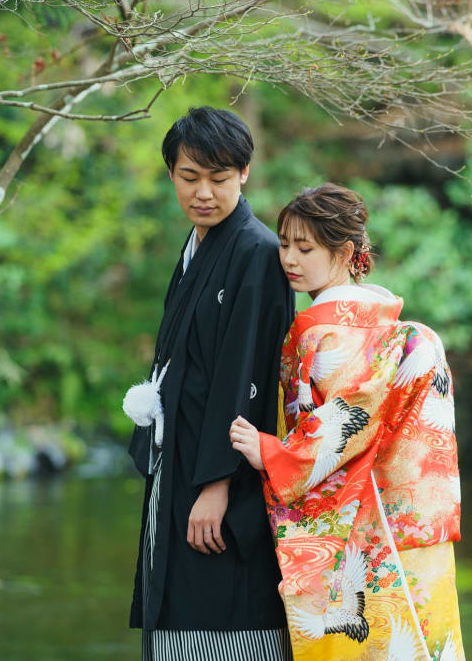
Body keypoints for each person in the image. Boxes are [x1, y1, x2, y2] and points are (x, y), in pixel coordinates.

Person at [228, 184, 465, 661]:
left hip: (367, 526)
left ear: (348, 252)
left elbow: (347, 422)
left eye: (306, 247)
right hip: (418, 530)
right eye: (285, 244)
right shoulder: (404, 331)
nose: (289, 258)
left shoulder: (327, 331)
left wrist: (274, 453)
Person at [124, 106, 294, 660]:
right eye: (189, 177)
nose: (204, 193)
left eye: (219, 179)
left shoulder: (257, 252)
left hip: (222, 477)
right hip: (181, 461)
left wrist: (217, 485)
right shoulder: (198, 244)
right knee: (178, 613)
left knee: (225, 616)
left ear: (244, 173)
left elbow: (247, 372)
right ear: (170, 173)